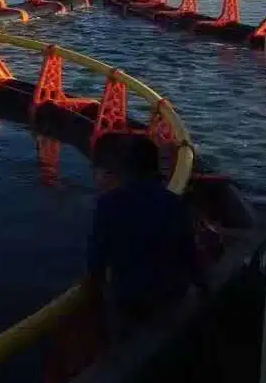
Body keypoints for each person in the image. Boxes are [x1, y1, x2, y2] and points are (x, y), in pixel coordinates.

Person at [86, 133, 208, 341]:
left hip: (130, 299)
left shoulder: (108, 204)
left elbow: (96, 260)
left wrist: (94, 294)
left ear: (123, 169)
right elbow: (188, 251)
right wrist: (202, 285)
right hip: (170, 295)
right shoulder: (173, 203)